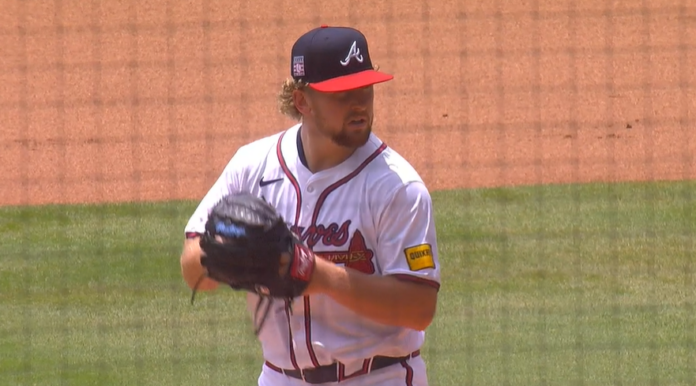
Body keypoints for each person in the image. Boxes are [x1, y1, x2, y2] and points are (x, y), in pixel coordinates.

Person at [180, 24, 441, 386]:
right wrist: (229, 257)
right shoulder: (252, 167)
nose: (359, 104)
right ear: (302, 101)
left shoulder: (398, 187)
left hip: (378, 378)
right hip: (280, 378)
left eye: (365, 88)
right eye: (341, 93)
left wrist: (319, 276)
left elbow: (419, 308)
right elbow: (193, 270)